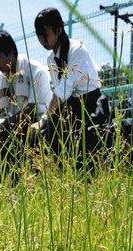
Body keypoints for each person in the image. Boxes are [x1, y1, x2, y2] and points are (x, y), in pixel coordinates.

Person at [33, 7, 110, 167]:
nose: (42, 40)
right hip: (71, 105)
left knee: (87, 138)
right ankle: (61, 171)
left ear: (59, 29)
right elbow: (60, 93)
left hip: (91, 103)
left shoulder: (77, 49)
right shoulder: (51, 58)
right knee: (48, 132)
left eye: (45, 34)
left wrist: (44, 119)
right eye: (39, 35)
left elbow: (62, 91)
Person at [0, 30, 52, 177]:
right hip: (15, 125)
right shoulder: (2, 75)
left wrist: (1, 128)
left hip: (39, 125)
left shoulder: (36, 71)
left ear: (11, 53)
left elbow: (32, 109)